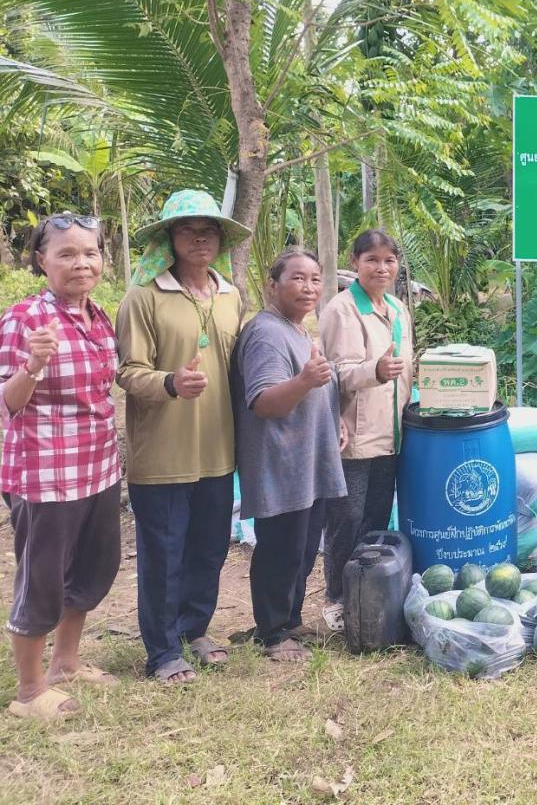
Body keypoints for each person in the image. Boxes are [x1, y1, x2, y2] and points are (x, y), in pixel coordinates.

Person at [116, 190, 251, 684]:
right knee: (164, 555)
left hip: (218, 448)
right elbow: (128, 371)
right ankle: (162, 651)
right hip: (163, 452)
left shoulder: (230, 295)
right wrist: (171, 382)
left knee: (209, 548)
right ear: (169, 238)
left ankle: (194, 630)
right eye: (188, 229)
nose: (200, 238)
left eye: (209, 230)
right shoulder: (144, 296)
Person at [1, 214, 122, 720]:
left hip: (98, 466)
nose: (81, 263)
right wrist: (33, 365)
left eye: (90, 253)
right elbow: (8, 402)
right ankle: (30, 691)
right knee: (42, 578)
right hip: (46, 473)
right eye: (66, 254)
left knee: (93, 567)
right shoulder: (24, 318)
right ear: (41, 260)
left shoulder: (100, 317)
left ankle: (66, 662)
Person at [231, 248, 347, 661]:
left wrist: (336, 422)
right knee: (280, 549)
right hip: (280, 464)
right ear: (272, 285)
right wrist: (304, 381)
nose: (309, 287)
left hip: (306, 464)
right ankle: (272, 632)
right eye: (297, 278)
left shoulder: (295, 330)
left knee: (301, 547)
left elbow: (317, 391)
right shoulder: (266, 333)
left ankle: (289, 621)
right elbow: (264, 402)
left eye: (315, 279)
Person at [317, 230, 413, 632]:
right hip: (352, 433)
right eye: (372, 259)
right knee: (347, 518)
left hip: (390, 431)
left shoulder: (397, 307)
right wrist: (375, 370)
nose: (381, 268)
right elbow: (334, 373)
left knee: (376, 516)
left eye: (389, 260)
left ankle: (369, 592)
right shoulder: (341, 310)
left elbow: (407, 368)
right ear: (354, 262)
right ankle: (338, 598)